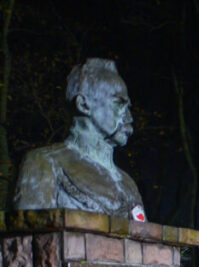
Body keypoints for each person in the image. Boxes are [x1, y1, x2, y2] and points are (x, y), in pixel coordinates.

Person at [15, 59, 145, 218]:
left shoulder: (128, 184)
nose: (129, 117)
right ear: (84, 105)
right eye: (119, 103)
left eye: (128, 107)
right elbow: (31, 229)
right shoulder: (45, 163)